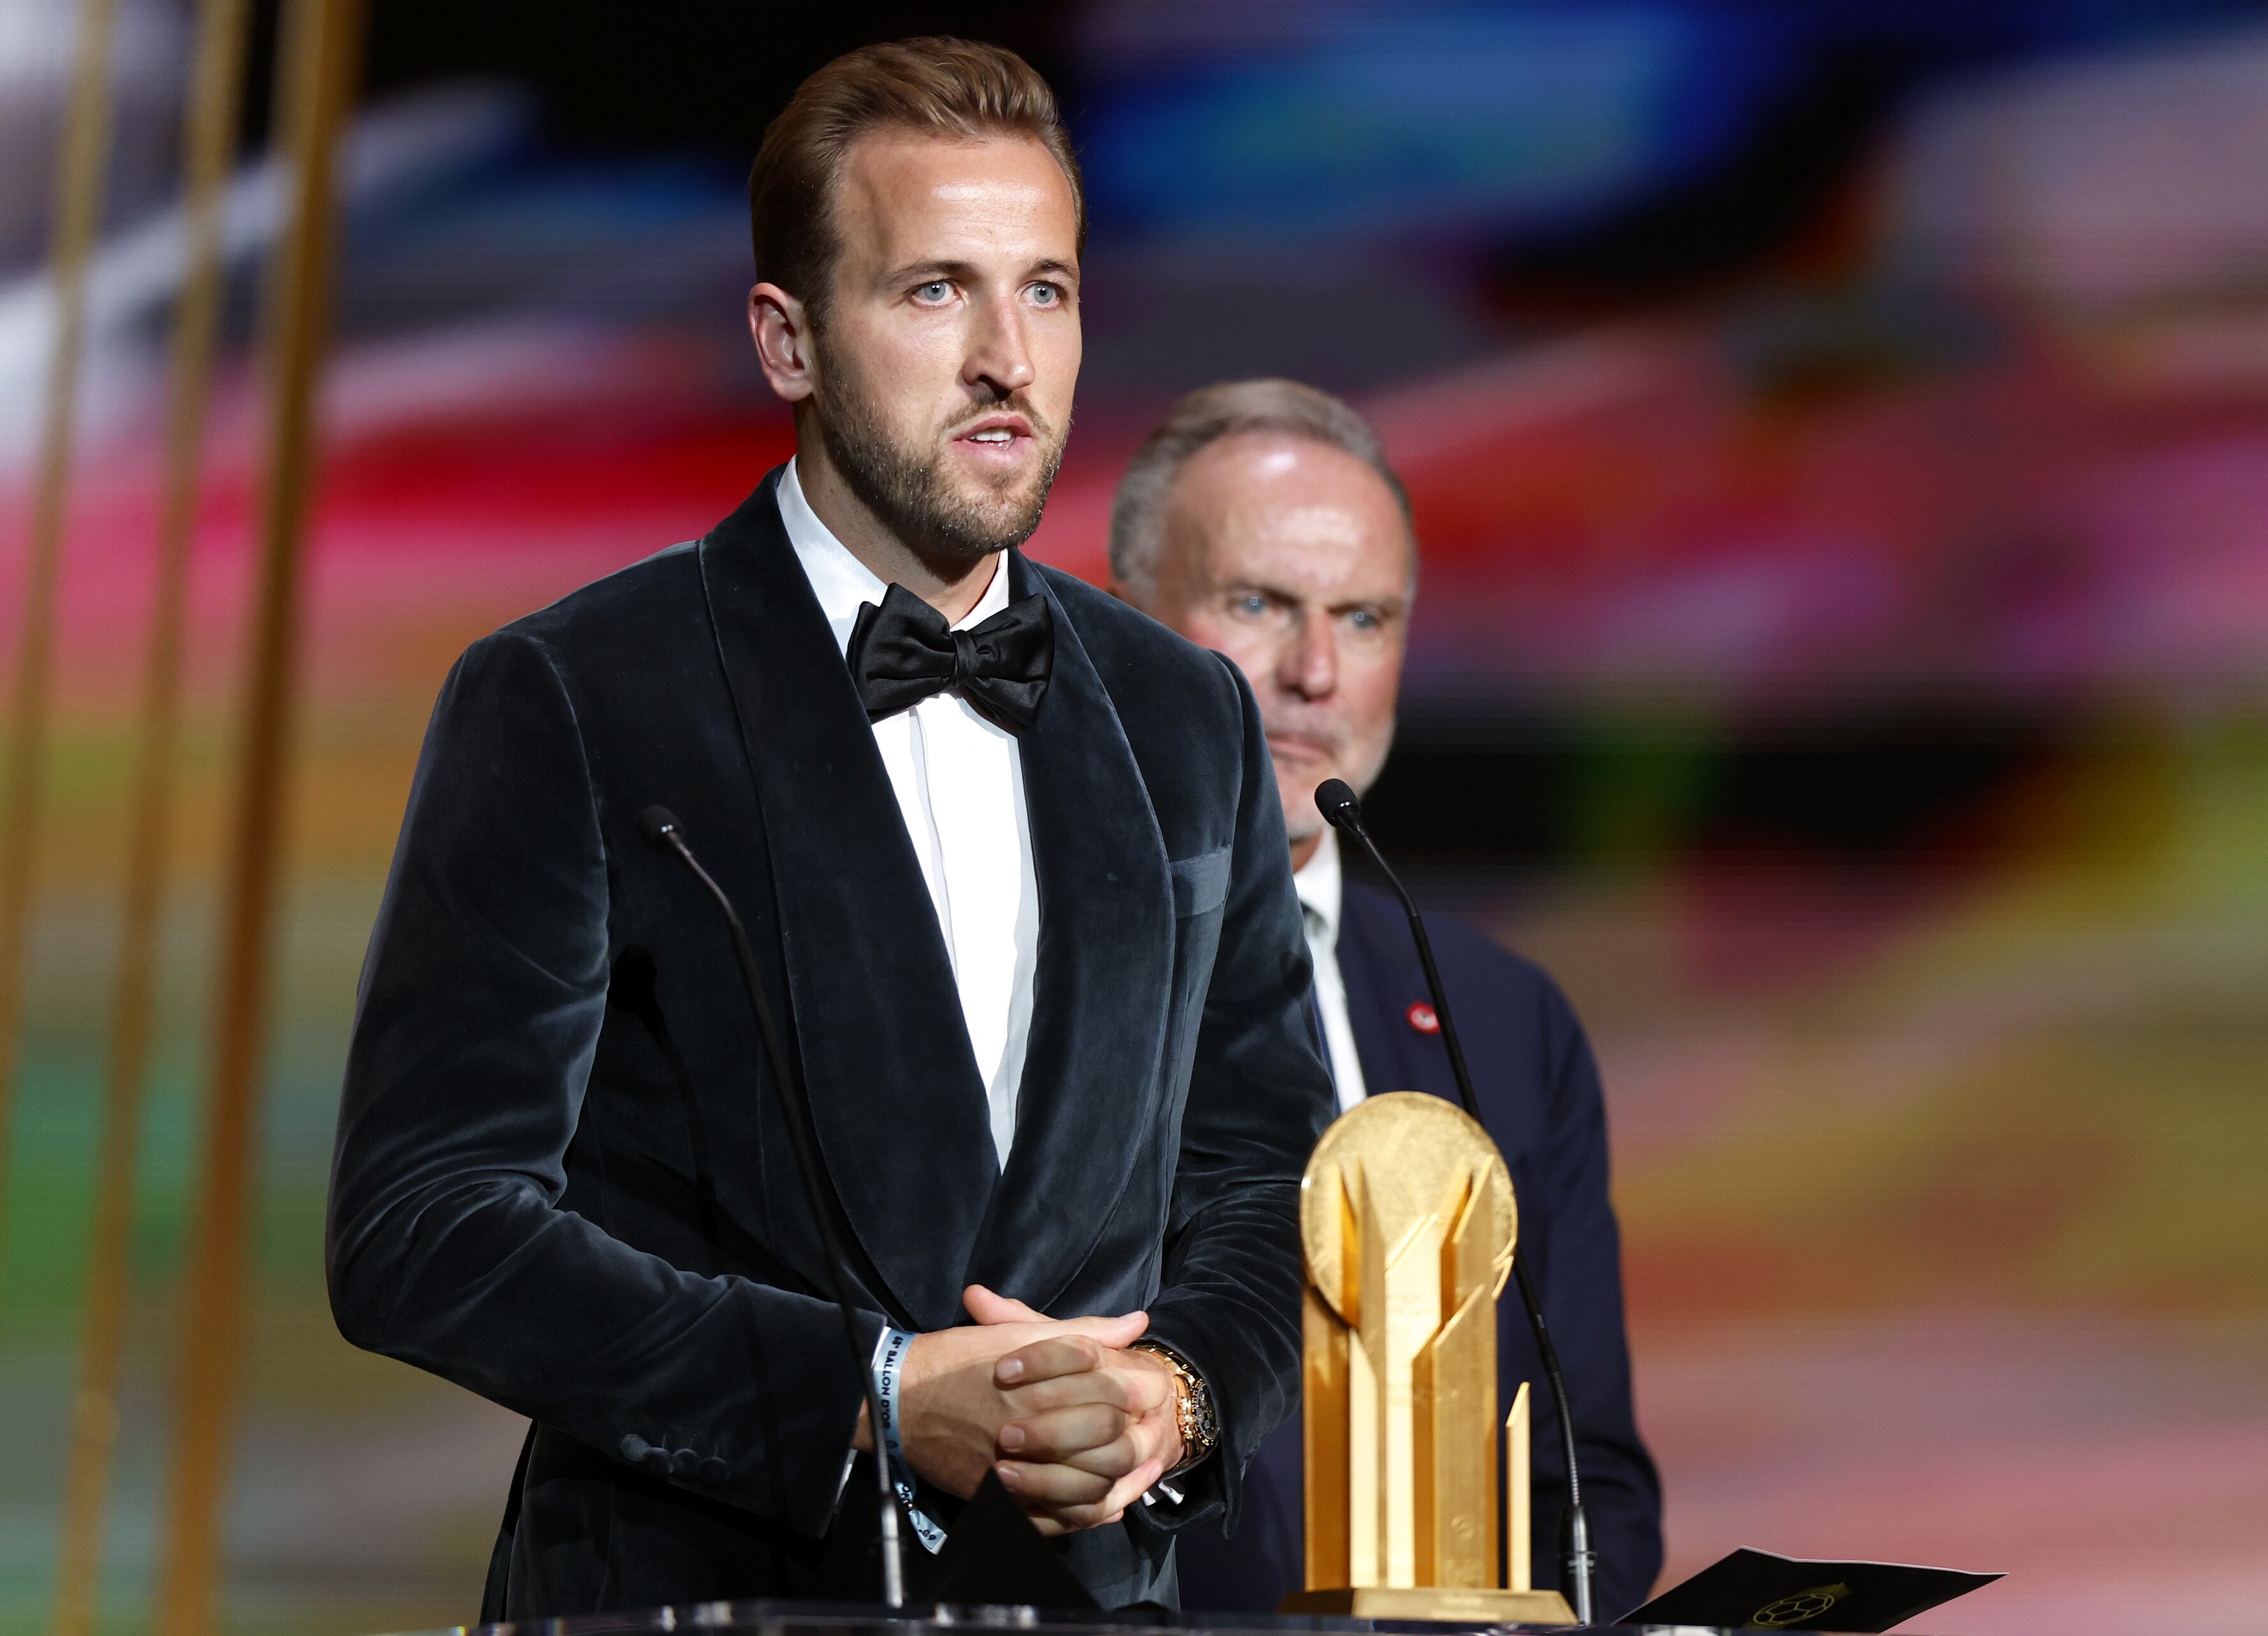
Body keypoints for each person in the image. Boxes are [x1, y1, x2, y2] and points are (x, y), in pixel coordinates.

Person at [327, 43, 1334, 1621]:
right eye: (935, 292)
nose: (1009, 358)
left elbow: (1269, 1168)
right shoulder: (578, 692)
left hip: (1084, 1598)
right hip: (699, 1592)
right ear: (786, 340)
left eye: (1047, 291)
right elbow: (425, 1221)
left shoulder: (1180, 709)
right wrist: (861, 1394)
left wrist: (1180, 1396)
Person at [1112, 379, 1665, 1616]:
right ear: (1118, 625)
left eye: (1362, 619)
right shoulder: (1006, 970)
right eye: (1256, 604)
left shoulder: (1499, 1018)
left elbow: (1591, 1482)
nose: (1313, 671)